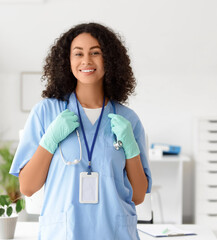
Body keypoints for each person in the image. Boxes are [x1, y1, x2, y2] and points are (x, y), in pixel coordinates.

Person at [10, 22, 152, 240]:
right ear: (68, 61)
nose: (86, 60)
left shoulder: (128, 120)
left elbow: (139, 195)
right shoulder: (46, 112)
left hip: (114, 232)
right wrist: (50, 140)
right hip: (64, 232)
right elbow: (28, 187)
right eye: (78, 53)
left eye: (95, 52)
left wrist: (130, 147)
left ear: (110, 60)